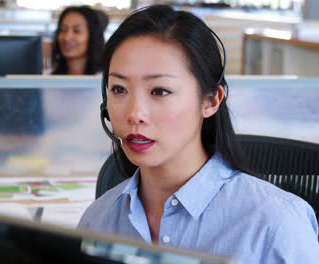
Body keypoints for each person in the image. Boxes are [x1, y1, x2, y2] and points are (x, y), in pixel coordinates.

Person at [78, 5, 319, 263]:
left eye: (159, 91)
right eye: (118, 89)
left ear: (210, 101)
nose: (135, 113)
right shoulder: (98, 221)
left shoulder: (275, 224)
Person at [51, 6, 106, 75]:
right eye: (63, 30)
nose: (67, 37)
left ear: (93, 36)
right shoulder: (47, 79)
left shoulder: (104, 79)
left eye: (76, 31)